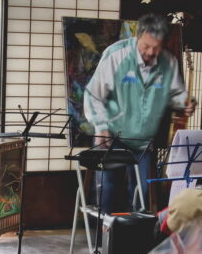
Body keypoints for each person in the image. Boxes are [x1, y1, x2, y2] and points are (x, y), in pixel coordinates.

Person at [83, 13, 195, 213]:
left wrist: (185, 103)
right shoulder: (116, 55)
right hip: (111, 134)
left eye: (156, 47)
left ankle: (137, 231)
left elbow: (175, 94)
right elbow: (94, 94)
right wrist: (100, 126)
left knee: (144, 192)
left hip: (143, 140)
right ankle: (108, 231)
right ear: (137, 37)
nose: (151, 52)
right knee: (108, 192)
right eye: (146, 46)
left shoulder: (168, 62)